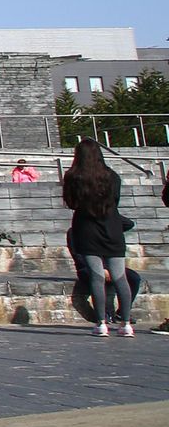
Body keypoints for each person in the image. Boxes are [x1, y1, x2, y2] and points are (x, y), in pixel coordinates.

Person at [62, 138, 133, 337]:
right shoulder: (112, 176)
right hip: (112, 227)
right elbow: (116, 200)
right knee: (120, 277)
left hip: (86, 228)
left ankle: (101, 323)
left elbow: (71, 203)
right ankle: (126, 324)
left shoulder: (73, 176)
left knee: (96, 276)